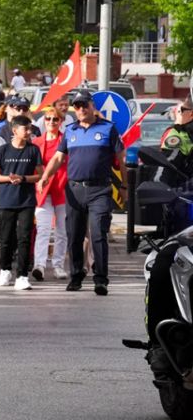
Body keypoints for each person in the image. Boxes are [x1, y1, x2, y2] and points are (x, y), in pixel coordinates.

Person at [38, 92, 123, 296]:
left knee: (97, 234)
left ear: (92, 106)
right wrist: (45, 177)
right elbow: (58, 158)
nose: (81, 109)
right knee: (74, 235)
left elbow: (120, 159)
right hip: (75, 190)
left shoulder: (108, 128)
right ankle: (76, 276)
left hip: (100, 189)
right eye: (77, 106)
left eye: (84, 105)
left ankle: (101, 279)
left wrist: (124, 187)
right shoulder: (70, 131)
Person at [0, 114, 43, 290]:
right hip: (7, 200)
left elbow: (40, 175)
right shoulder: (3, 150)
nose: (29, 132)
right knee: (6, 238)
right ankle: (5, 270)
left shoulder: (33, 150)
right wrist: (8, 178)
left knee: (24, 238)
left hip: (27, 201)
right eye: (25, 129)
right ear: (15, 130)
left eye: (30, 128)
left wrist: (23, 178)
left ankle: (22, 275)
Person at [32, 107, 69, 281]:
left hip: (62, 189)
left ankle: (58, 265)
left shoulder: (67, 140)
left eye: (55, 119)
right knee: (43, 229)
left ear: (61, 121)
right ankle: (39, 264)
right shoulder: (37, 142)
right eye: (48, 119)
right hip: (42, 191)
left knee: (62, 230)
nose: (51, 122)